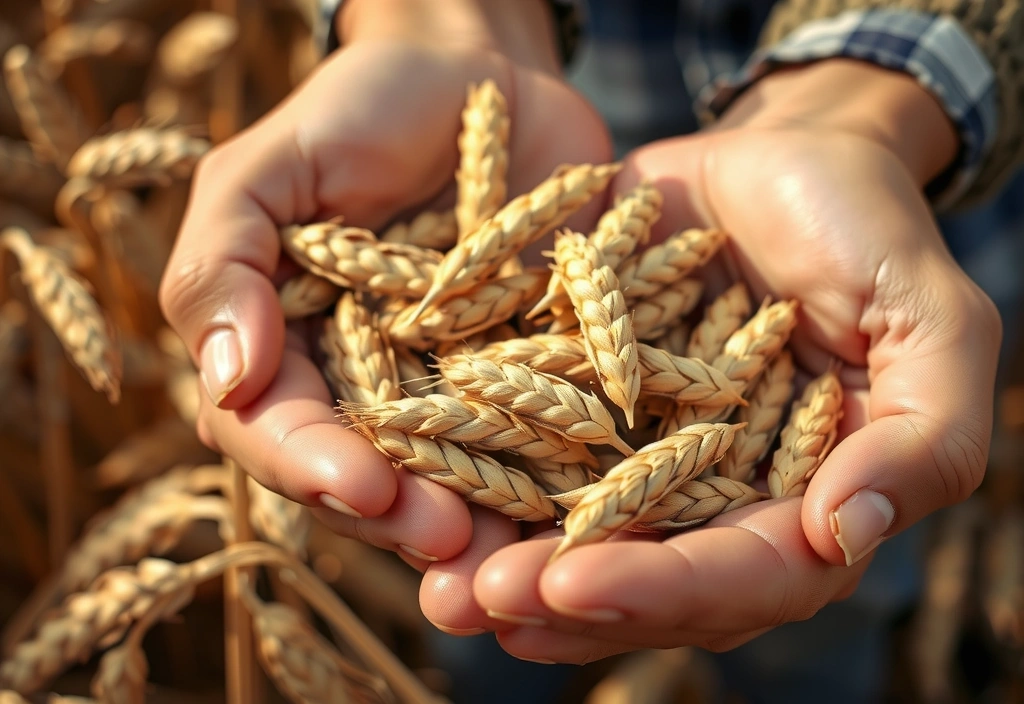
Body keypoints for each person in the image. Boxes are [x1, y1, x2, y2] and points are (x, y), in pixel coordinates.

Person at [158, 0, 1017, 699]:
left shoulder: (715, 345)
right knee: (478, 593)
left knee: (835, 567)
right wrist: (444, 20)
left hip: (924, 184)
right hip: (591, 71)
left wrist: (862, 119)